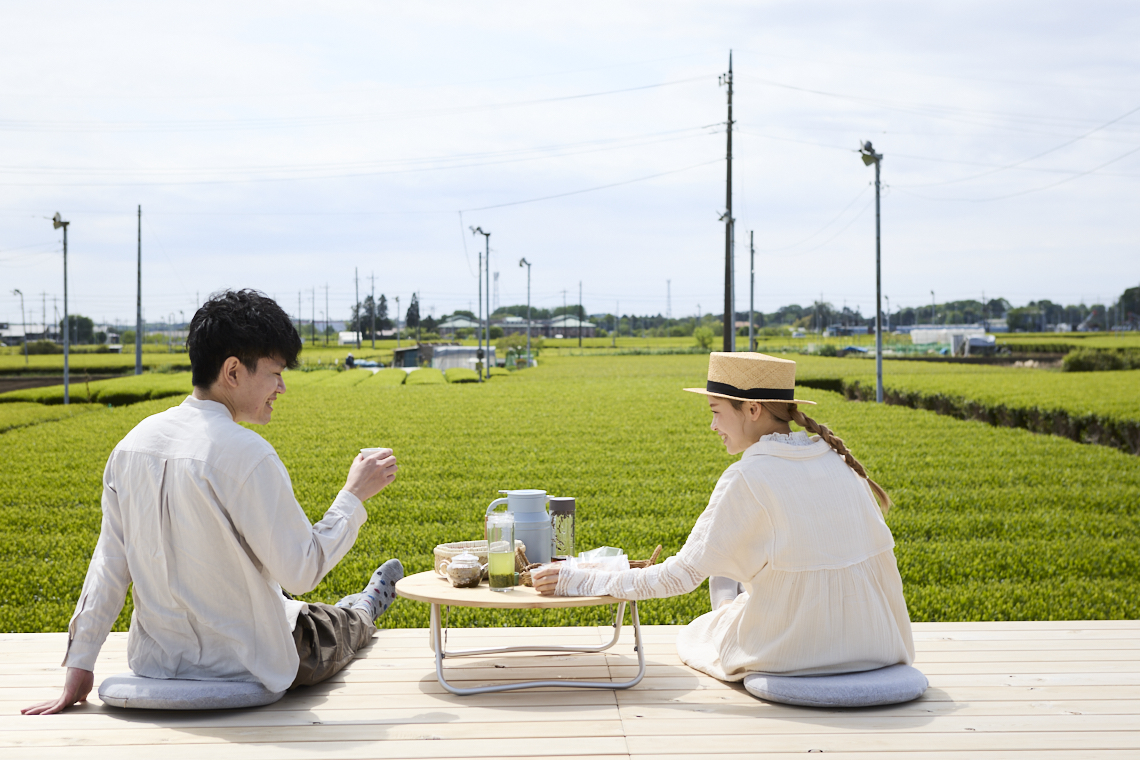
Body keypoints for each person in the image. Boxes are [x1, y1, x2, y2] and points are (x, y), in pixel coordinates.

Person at [24, 289, 403, 716]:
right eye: (275, 373)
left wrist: (80, 663)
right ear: (234, 371)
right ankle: (365, 605)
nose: (281, 388)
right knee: (332, 629)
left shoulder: (130, 446)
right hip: (249, 665)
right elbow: (302, 569)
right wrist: (353, 495)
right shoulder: (247, 454)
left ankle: (353, 606)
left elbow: (110, 563)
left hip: (159, 666)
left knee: (296, 611)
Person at [533, 352, 915, 683]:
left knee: (700, 632)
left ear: (752, 409)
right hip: (877, 642)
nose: (712, 426)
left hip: (798, 654)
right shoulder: (833, 460)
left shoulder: (748, 476)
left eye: (716, 412)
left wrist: (577, 579)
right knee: (732, 573)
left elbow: (678, 577)